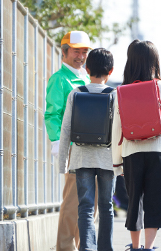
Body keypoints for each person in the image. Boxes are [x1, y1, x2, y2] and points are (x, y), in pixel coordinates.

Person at [111, 40, 161, 251]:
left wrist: (117, 163)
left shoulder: (120, 91)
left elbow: (116, 129)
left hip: (131, 153)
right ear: (155, 61)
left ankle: (135, 246)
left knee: (135, 202)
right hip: (159, 152)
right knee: (155, 201)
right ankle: (149, 247)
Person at [59, 48, 116, 251]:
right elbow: (119, 132)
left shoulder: (76, 94)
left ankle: (87, 248)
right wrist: (122, 163)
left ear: (87, 68)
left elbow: (65, 129)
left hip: (81, 159)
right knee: (106, 207)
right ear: (111, 70)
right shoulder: (115, 96)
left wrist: (63, 164)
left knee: (85, 206)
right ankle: (105, 248)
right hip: (108, 160)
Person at [45, 31, 91, 251]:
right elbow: (52, 114)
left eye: (84, 51)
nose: (81, 56)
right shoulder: (59, 80)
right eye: (76, 51)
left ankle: (83, 246)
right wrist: (57, 142)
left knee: (88, 203)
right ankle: (64, 247)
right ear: (64, 52)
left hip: (90, 147)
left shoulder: (87, 78)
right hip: (73, 147)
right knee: (73, 201)